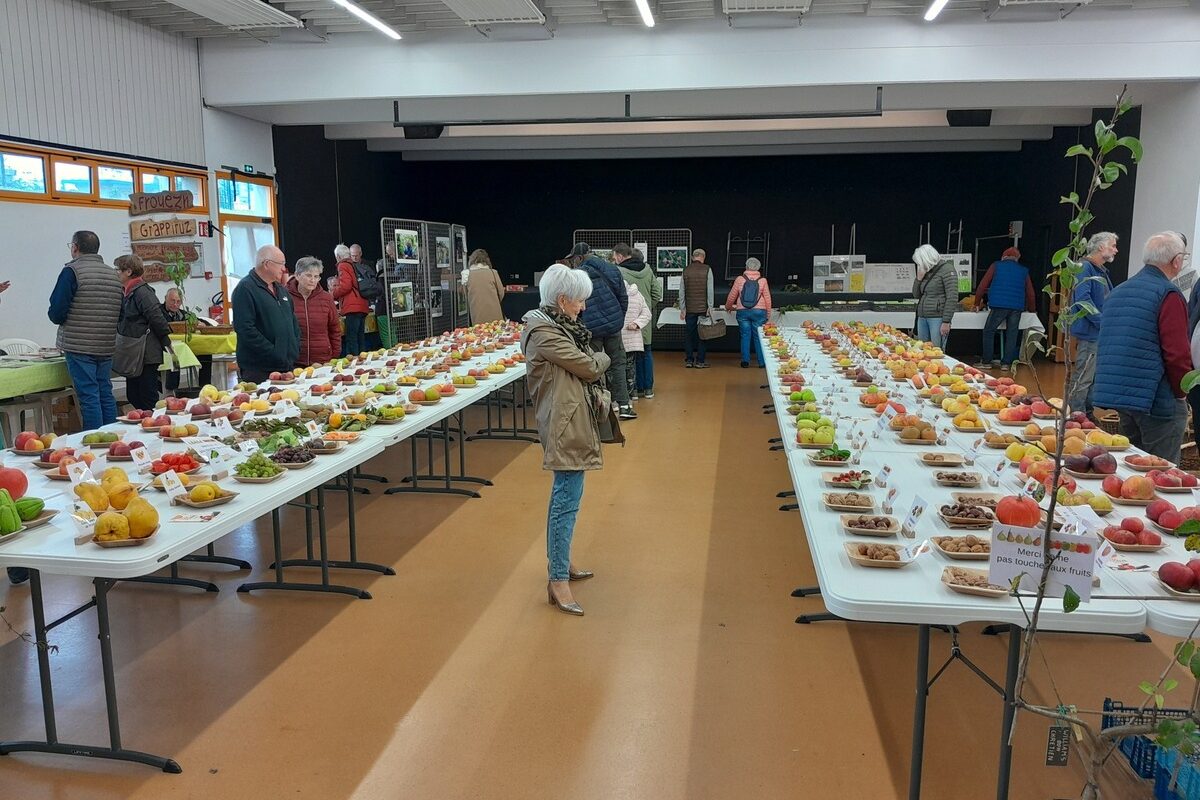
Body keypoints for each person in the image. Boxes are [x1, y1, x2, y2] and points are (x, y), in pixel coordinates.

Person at [520, 264, 613, 617]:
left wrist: (593, 358)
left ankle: (563, 560)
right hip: (563, 423)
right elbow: (588, 366)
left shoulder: (557, 326)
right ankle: (557, 578)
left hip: (571, 418)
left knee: (569, 496)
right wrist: (601, 356)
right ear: (561, 300)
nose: (583, 308)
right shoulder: (546, 333)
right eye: (579, 302)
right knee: (565, 499)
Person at [1094, 232, 1193, 462]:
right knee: (1162, 472)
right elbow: (1177, 354)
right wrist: (1181, 393)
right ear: (1176, 260)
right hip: (1157, 400)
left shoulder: (1118, 292)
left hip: (1124, 397)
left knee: (1131, 469)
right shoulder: (1168, 294)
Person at [47, 230, 123, 430]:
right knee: (105, 392)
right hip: (106, 344)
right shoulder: (113, 275)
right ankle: (112, 438)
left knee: (89, 395)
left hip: (78, 345)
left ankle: (95, 443)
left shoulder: (71, 272)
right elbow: (121, 313)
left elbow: (57, 311)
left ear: (75, 247)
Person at [568, 242, 633, 418]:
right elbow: (623, 298)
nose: (573, 263)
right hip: (613, 326)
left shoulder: (577, 275)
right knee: (618, 364)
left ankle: (597, 406)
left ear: (579, 258)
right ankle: (625, 405)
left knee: (592, 366)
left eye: (573, 259)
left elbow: (575, 304)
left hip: (591, 329)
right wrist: (618, 319)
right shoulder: (613, 269)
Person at [1066, 232, 1118, 416]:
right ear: (1101, 247)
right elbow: (1083, 300)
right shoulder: (1085, 268)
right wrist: (1102, 322)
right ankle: (1077, 415)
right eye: (1112, 245)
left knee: (1091, 377)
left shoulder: (1098, 270)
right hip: (1091, 332)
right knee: (1084, 377)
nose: (1116, 250)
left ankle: (1087, 413)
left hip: (1097, 332)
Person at [232, 245, 300, 384]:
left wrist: (294, 346)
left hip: (286, 366)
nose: (284, 268)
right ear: (267, 264)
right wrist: (274, 352)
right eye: (281, 263)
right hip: (259, 369)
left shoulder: (281, 290)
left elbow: (293, 321)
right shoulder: (245, 289)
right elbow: (245, 329)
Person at [114, 255, 172, 411]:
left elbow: (156, 317)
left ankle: (154, 424)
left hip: (146, 352)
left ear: (128, 271)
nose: (116, 273)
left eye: (118, 270)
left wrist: (165, 340)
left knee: (147, 396)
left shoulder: (142, 292)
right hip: (133, 352)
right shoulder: (126, 292)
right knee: (133, 394)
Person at [974, 247, 1037, 373]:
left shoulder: (996, 265)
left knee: (989, 331)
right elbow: (1031, 293)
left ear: (1003, 257)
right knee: (1012, 334)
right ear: (1017, 259)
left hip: (998, 305)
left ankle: (986, 361)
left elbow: (982, 286)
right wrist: (1032, 309)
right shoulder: (1023, 270)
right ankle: (1006, 364)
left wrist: (976, 303)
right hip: (1016, 308)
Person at [614, 244, 662, 398]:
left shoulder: (619, 272)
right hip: (644, 321)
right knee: (646, 353)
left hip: (626, 322)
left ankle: (633, 390)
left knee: (629, 356)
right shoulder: (648, 271)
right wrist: (646, 306)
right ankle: (648, 389)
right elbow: (657, 293)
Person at [288, 256, 341, 367]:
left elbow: (335, 329)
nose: (313, 280)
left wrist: (334, 356)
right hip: (294, 362)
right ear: (297, 276)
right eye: (308, 275)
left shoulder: (326, 298)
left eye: (316, 276)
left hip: (322, 361)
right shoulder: (285, 297)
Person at [161, 287, 214, 395]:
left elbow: (196, 320)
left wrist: (202, 324)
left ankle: (204, 387)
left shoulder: (182, 313)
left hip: (184, 346)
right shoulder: (158, 312)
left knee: (205, 351)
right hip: (165, 347)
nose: (175, 304)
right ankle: (171, 391)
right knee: (174, 355)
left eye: (178, 301)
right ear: (165, 298)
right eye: (172, 301)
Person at [724, 257, 773, 368]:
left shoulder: (740, 279)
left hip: (743, 311)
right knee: (758, 336)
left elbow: (732, 296)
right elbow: (767, 298)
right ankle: (761, 362)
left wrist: (728, 307)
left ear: (746, 266)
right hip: (759, 312)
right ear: (758, 268)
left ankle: (745, 361)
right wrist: (768, 314)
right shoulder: (763, 280)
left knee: (745, 335)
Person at [911, 244, 956, 351]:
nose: (920, 265)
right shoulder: (925, 271)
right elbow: (916, 294)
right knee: (922, 349)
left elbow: (952, 297)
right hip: (922, 316)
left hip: (937, 317)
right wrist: (918, 279)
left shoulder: (947, 270)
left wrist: (946, 321)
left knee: (936, 350)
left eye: (921, 262)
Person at [679, 248, 714, 368]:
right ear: (703, 257)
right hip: (703, 309)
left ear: (693, 257)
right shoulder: (707, 269)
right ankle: (700, 361)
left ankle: (689, 360)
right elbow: (710, 290)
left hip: (689, 309)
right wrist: (710, 306)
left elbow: (681, 291)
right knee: (702, 335)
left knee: (689, 335)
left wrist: (683, 308)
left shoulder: (686, 270)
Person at [332, 243, 368, 356]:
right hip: (362, 304)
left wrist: (333, 294)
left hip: (352, 306)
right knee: (360, 337)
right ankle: (364, 362)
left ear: (338, 256)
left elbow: (346, 285)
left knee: (352, 339)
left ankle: (354, 365)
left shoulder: (343, 265)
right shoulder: (355, 264)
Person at [621, 280, 651, 408]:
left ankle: (621, 397)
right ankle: (632, 393)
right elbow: (647, 313)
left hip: (616, 337)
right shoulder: (637, 294)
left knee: (616, 368)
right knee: (630, 367)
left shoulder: (613, 294)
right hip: (633, 338)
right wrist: (637, 323)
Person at [462, 248, 506, 323]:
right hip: (494, 311)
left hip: (476, 312)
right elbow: (501, 293)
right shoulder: (493, 273)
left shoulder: (467, 275)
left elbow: (466, 294)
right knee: (496, 331)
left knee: (480, 332)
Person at [375, 242, 396, 348]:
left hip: (382, 309)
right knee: (393, 333)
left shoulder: (379, 279)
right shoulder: (394, 275)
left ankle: (390, 352)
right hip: (394, 309)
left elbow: (379, 293)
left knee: (385, 334)